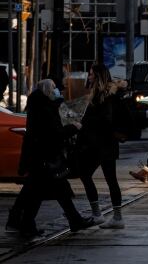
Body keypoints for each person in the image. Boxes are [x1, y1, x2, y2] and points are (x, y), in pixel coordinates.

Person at [7, 80, 95, 236]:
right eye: (54, 88)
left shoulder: (40, 106)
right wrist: (73, 128)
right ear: (48, 90)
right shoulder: (44, 109)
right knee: (40, 192)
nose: (57, 90)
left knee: (39, 191)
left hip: (41, 157)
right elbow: (54, 134)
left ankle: (22, 222)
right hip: (44, 158)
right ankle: (25, 223)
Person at [77, 64, 127, 229]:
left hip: (100, 143)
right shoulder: (103, 94)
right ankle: (115, 216)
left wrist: (85, 124)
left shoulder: (104, 95)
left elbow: (105, 119)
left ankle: (100, 214)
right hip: (105, 143)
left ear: (98, 76)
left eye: (91, 75)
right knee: (109, 179)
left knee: (87, 174)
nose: (89, 77)